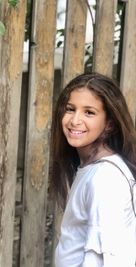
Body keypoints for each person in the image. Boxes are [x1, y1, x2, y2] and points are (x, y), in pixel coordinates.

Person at [51, 72, 136, 267]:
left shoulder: (104, 179)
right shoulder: (91, 168)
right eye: (70, 109)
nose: (75, 120)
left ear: (109, 124)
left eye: (89, 112)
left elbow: (103, 259)